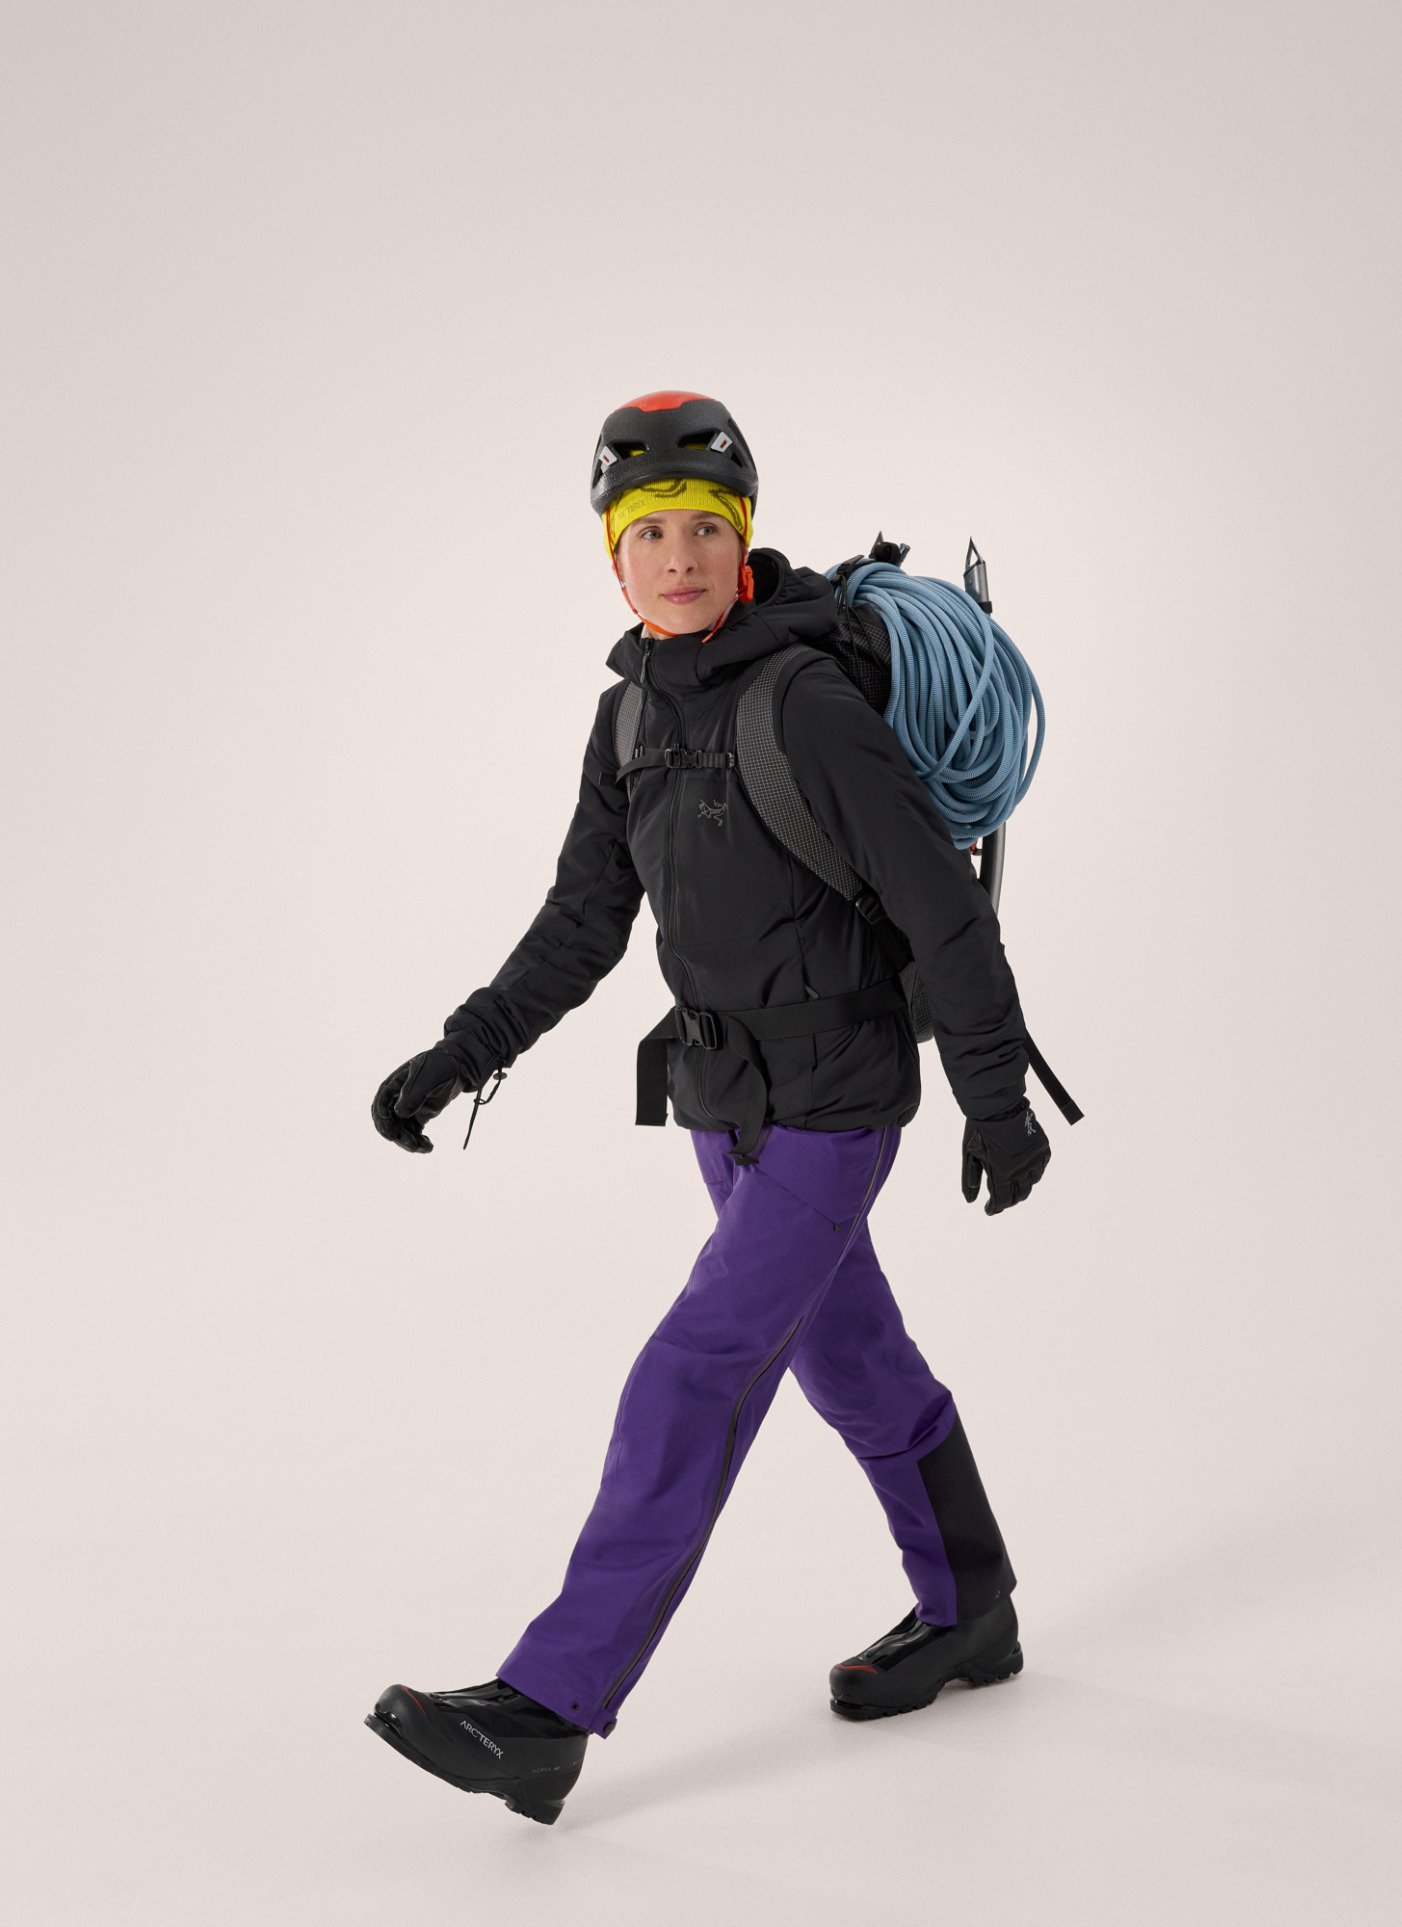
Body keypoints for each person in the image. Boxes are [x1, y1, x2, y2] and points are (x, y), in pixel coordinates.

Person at [365, 392, 1052, 1825]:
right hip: (719, 1100)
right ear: (611, 555)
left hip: (836, 1101)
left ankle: (551, 1705)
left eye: (702, 529)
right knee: (854, 1364)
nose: (676, 558)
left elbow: (944, 914)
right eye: (647, 533)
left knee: (691, 1371)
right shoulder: (626, 717)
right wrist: (458, 1054)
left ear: (744, 540)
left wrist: (994, 1102)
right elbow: (581, 923)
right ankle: (972, 1608)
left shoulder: (805, 704)